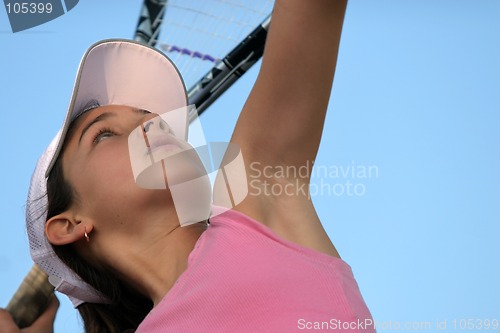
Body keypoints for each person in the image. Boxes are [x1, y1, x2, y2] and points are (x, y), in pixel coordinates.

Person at [0, 0, 376, 332]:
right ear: (70, 225)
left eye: (148, 114)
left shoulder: (255, 204)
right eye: (104, 135)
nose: (152, 122)